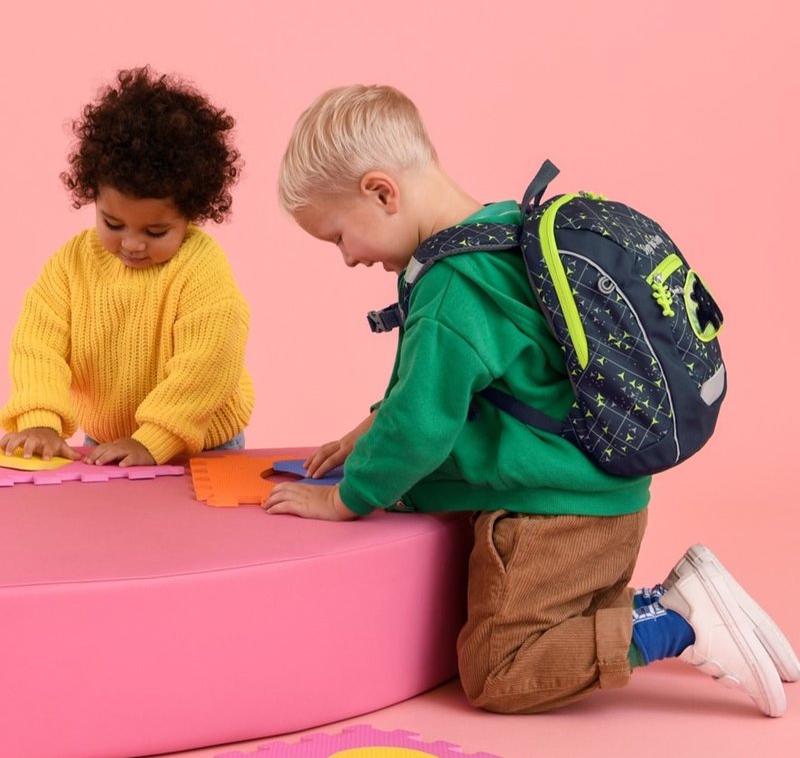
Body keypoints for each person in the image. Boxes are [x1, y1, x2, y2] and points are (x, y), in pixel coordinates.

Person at [264, 83, 798, 718]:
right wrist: (368, 428)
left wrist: (344, 500)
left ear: (382, 193)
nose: (348, 258)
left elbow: (418, 427)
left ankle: (676, 619)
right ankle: (676, 601)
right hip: (609, 507)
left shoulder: (451, 286)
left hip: (552, 524)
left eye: (338, 237)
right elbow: (485, 383)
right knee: (553, 633)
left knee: (498, 671)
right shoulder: (501, 230)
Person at [0, 66, 254, 467]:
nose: (132, 244)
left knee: (182, 529)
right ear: (94, 198)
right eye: (113, 224)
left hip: (199, 443)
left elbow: (207, 366)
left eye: (156, 231)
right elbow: (38, 344)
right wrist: (41, 420)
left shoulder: (201, 270)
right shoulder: (72, 265)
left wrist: (154, 440)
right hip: (106, 438)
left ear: (192, 214)